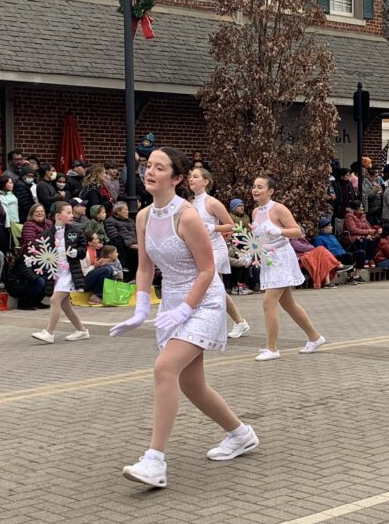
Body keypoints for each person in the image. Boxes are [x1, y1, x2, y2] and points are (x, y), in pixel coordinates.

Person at [111, 147, 256, 489]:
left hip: (203, 302)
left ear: (176, 178)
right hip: (173, 302)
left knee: (164, 368)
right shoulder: (144, 216)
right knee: (192, 384)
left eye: (159, 168)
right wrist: (142, 308)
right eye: (148, 166)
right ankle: (241, 434)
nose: (150, 172)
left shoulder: (187, 216)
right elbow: (145, 266)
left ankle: (155, 460)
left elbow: (207, 270)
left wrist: (187, 308)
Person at [250, 174, 325, 361]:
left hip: (282, 258)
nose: (255, 190)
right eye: (254, 186)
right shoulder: (255, 212)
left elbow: (297, 231)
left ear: (270, 191)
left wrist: (280, 231)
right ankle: (315, 337)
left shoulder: (278, 209)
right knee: (289, 305)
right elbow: (257, 238)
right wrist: (251, 252)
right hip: (268, 259)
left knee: (268, 303)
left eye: (260, 187)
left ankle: (272, 348)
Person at [188, 168, 250, 339]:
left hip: (215, 248)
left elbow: (232, 225)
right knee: (215, 288)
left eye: (195, 177)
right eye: (190, 177)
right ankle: (239, 322)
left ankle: (211, 324)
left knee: (207, 284)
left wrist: (213, 227)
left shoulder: (212, 202)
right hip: (199, 249)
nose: (191, 179)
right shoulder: (190, 203)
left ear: (205, 182)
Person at [29, 201, 90, 343]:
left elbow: (83, 250)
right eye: (68, 212)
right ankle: (82, 330)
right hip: (56, 272)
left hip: (70, 271)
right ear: (58, 216)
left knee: (55, 299)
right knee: (64, 304)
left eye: (71, 212)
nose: (71, 215)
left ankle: (49, 332)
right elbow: (42, 252)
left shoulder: (76, 231)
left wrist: (76, 252)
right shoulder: (47, 234)